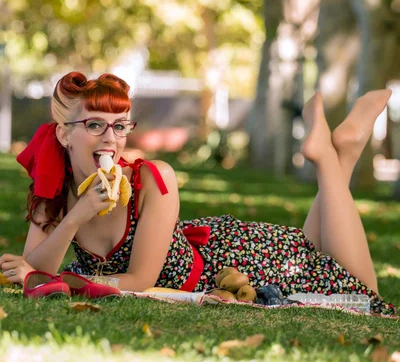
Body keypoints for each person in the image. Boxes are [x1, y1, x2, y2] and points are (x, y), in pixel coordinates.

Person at [0, 71, 396, 316]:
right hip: (218, 262)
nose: (111, 138)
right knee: (316, 246)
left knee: (362, 291)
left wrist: (65, 278)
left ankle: (328, 158)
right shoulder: (52, 185)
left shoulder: (153, 180)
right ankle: (345, 149)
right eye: (95, 125)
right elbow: (35, 268)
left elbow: (139, 281)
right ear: (64, 133)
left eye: (120, 126)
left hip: (233, 262)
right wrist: (76, 215)